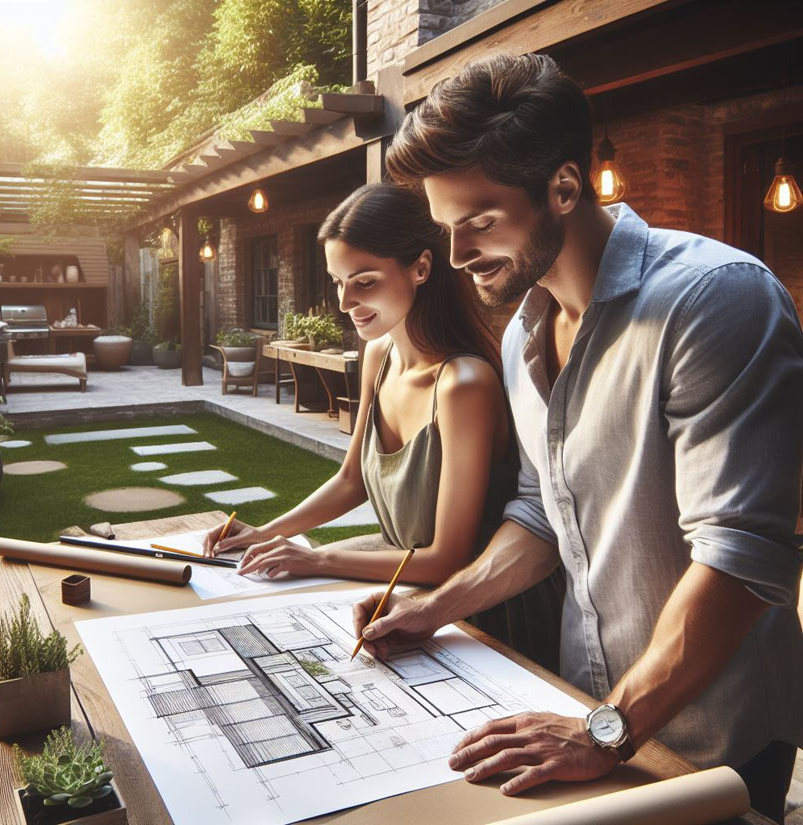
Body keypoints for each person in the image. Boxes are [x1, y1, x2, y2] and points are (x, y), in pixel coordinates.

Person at [351, 52, 803, 822]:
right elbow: (539, 516)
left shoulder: (716, 300)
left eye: (480, 223)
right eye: (447, 228)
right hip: (577, 708)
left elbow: (742, 558)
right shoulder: (522, 336)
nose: (457, 258)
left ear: (564, 186)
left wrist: (608, 727)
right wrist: (435, 606)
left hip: (706, 738)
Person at [204, 182, 563, 666]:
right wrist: (269, 531)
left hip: (473, 609)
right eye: (338, 281)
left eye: (365, 281)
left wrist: (316, 557)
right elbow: (351, 479)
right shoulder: (379, 353)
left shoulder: (463, 385)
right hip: (399, 579)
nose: (344, 301)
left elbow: (447, 558)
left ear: (421, 268)